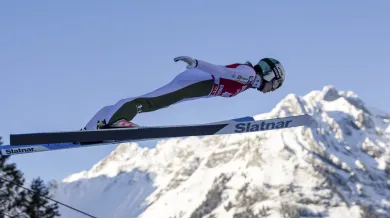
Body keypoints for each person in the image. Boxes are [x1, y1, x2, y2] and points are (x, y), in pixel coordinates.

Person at [82, 56, 286, 130]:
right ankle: (115, 122)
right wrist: (197, 63)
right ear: (269, 75)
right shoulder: (249, 75)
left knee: (156, 99)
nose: (272, 90)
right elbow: (222, 72)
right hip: (199, 81)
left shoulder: (249, 80)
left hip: (198, 85)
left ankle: (96, 124)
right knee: (154, 102)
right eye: (275, 85)